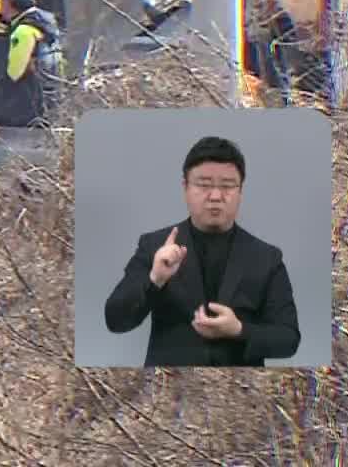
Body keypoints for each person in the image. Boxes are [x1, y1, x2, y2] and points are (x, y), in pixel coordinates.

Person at [102, 135, 301, 367]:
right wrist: (155, 279)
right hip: (168, 391)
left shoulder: (267, 258)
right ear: (185, 187)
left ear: (240, 191)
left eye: (227, 186)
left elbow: (289, 339)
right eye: (204, 185)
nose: (215, 196)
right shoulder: (155, 246)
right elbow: (115, 320)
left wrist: (239, 330)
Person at [0, 0, 62, 127]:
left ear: (13, 6)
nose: (1, 10)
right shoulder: (47, 28)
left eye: (3, 4)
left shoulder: (23, 32)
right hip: (50, 101)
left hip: (27, 109)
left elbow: (14, 73)